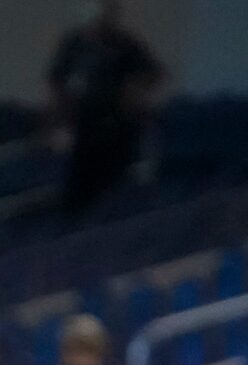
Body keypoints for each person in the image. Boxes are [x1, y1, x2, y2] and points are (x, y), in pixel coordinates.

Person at [46, 1, 165, 214]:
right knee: (79, 189)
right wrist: (60, 121)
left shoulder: (124, 44)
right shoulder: (74, 45)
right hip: (83, 128)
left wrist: (133, 92)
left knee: (112, 185)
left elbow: (153, 73)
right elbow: (57, 83)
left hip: (117, 128)